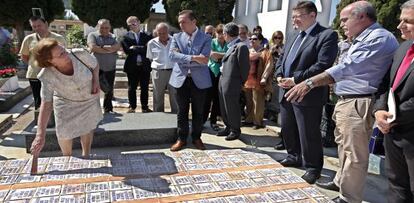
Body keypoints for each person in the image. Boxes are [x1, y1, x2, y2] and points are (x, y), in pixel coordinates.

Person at [285, 1, 398, 202]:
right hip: (346, 100)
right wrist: (348, 42)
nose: (342, 23)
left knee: (355, 156)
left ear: (362, 17)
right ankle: (340, 181)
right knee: (343, 148)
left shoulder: (378, 37)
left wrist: (309, 83)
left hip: (360, 102)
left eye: (346, 19)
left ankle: (348, 197)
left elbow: (346, 67)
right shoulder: (358, 38)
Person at [275, 0, 338, 184]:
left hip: (308, 94)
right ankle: (293, 156)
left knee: (308, 132)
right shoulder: (293, 34)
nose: (294, 21)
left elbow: (322, 65)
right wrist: (279, 75)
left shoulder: (326, 35)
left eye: (298, 17)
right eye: (293, 17)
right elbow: (282, 59)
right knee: (288, 127)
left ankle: (313, 167)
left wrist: (295, 79)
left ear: (312, 15)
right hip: (286, 90)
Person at [30, 38, 103, 157]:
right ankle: (67, 158)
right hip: (65, 103)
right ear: (50, 61)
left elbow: (95, 65)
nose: (67, 53)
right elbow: (46, 104)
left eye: (63, 49)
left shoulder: (80, 54)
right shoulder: (46, 75)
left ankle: (86, 154)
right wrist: (40, 135)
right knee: (64, 133)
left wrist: (96, 80)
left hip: (89, 99)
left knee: (87, 127)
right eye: (61, 54)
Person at [374, 1, 414, 202]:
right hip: (392, 132)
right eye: (401, 21)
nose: (400, 26)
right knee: (397, 186)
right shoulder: (403, 48)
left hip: (409, 132)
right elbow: (387, 84)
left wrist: (392, 116)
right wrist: (380, 110)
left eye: (408, 22)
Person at [168, 10, 212, 151]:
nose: (181, 24)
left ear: (194, 22)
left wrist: (183, 58)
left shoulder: (206, 38)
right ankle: (181, 139)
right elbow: (172, 56)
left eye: (184, 22)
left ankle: (196, 138)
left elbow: (204, 60)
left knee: (199, 111)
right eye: (179, 22)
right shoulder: (176, 37)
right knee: (182, 111)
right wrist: (193, 58)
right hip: (181, 80)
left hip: (199, 81)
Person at [20, 16, 66, 110]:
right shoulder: (28, 39)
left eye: (39, 25)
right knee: (38, 101)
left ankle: (55, 122)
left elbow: (64, 56)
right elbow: (24, 56)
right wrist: (36, 64)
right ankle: (41, 123)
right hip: (34, 75)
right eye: (34, 26)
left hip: (54, 75)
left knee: (55, 101)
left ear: (46, 24)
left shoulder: (58, 38)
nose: (37, 28)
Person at [216, 22, 250, 141]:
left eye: (223, 34)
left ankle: (235, 130)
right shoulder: (231, 46)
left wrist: (240, 83)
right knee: (224, 106)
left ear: (226, 34)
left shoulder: (241, 46)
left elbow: (244, 68)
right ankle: (228, 127)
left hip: (232, 82)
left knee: (232, 107)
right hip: (223, 78)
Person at [87, 19, 120, 113]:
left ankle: (108, 109)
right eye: (102, 27)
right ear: (98, 27)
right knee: (94, 89)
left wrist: (100, 47)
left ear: (110, 27)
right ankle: (93, 110)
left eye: (107, 27)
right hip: (96, 68)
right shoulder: (92, 35)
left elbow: (117, 47)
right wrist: (109, 48)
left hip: (110, 68)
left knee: (109, 90)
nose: (105, 29)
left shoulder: (114, 36)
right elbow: (93, 47)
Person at [121, 16, 153, 113]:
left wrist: (135, 48)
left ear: (139, 22)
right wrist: (141, 48)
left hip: (145, 66)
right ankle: (132, 107)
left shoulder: (148, 35)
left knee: (144, 87)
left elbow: (148, 50)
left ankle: (144, 107)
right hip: (131, 66)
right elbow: (128, 51)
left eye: (133, 24)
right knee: (132, 88)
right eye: (129, 25)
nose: (132, 26)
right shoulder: (125, 37)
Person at [146, 22, 178, 113]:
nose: (162, 35)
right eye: (159, 33)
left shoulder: (175, 41)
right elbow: (150, 58)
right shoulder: (151, 43)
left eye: (164, 33)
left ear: (168, 31)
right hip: (158, 72)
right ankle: (158, 116)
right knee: (158, 96)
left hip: (173, 71)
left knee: (174, 95)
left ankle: (176, 117)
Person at [203, 24, 228, 131]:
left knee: (217, 98)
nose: (221, 35)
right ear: (215, 33)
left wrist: (219, 56)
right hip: (211, 71)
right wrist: (225, 55)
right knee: (207, 98)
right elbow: (212, 55)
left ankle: (213, 121)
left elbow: (229, 54)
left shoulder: (228, 43)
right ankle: (202, 121)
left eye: (223, 33)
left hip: (223, 73)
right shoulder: (211, 42)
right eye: (219, 32)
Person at [243, 33, 267, 129]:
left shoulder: (265, 52)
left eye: (254, 39)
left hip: (258, 80)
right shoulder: (248, 51)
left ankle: (258, 122)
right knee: (249, 102)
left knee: (258, 102)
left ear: (260, 40)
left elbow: (269, 66)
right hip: (247, 80)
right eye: (250, 39)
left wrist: (264, 77)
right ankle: (249, 120)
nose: (252, 41)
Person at [268, 30, 286, 150]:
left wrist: (280, 53)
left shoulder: (284, 48)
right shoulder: (270, 47)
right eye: (275, 37)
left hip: (281, 78)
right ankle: (272, 115)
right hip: (272, 76)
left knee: (280, 102)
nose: (278, 40)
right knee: (271, 98)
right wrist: (271, 51)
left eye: (279, 38)